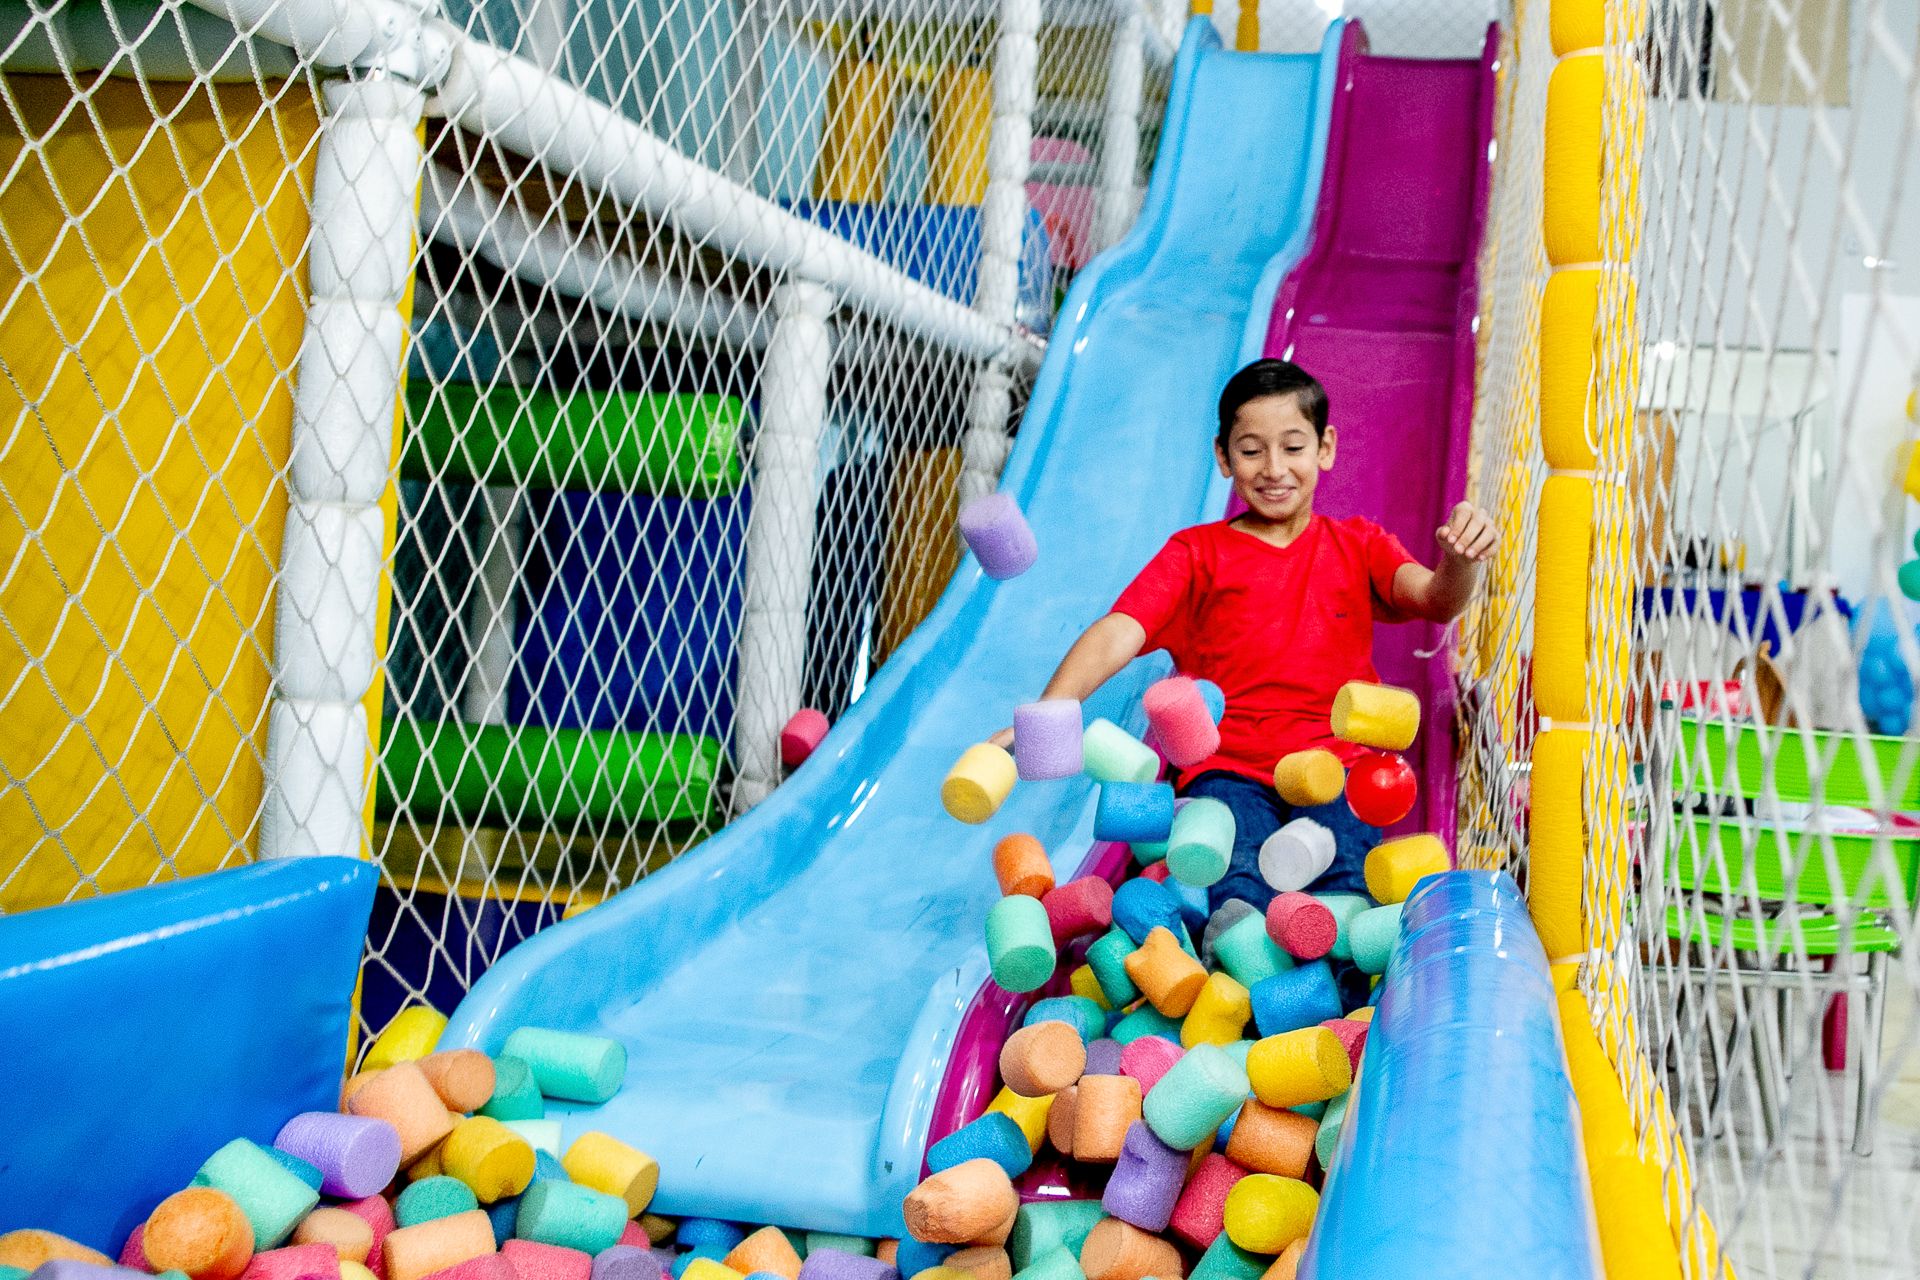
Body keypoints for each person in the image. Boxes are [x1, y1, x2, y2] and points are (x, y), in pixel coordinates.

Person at [990, 358, 1497, 911]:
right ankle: (1224, 978)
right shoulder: (1195, 554)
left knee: (1344, 893)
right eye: (1252, 450)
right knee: (1239, 895)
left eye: (1293, 447)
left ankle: (1337, 991)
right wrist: (1047, 712)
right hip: (1226, 773)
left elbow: (1434, 598)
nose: (1274, 467)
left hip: (1337, 767)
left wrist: (1460, 562)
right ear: (1223, 457)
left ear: (1325, 448)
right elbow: (1119, 632)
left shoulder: (1360, 546)